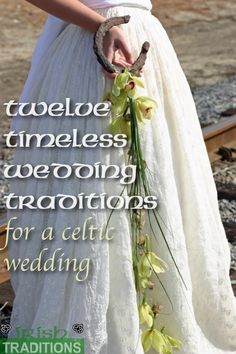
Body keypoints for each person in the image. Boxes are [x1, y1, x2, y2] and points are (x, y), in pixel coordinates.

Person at [7, 0, 236, 353]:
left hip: (140, 44)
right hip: (94, 50)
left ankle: (154, 319)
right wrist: (102, 26)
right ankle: (106, 327)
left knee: (156, 180)